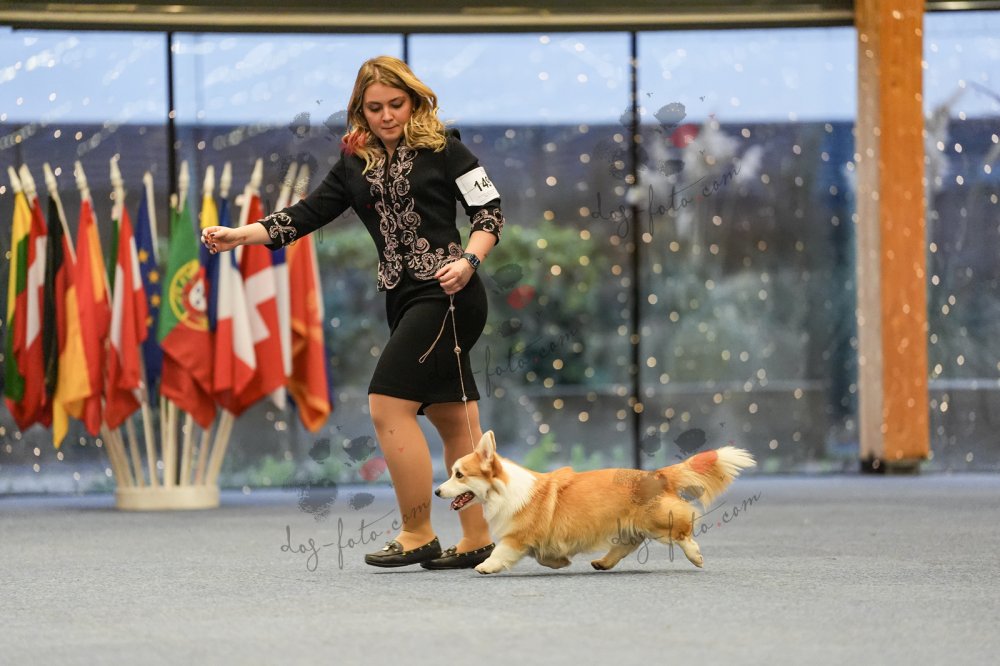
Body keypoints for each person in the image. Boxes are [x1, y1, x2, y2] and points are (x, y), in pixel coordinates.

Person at [201, 56, 503, 570]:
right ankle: (477, 539)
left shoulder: (447, 149)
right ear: (361, 111)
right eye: (375, 108)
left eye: (396, 105)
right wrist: (240, 235)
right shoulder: (354, 164)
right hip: (402, 297)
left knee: (388, 404)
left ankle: (417, 532)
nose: (386, 116)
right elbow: (305, 214)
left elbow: (489, 212)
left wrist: (470, 261)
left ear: (414, 102)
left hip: (449, 292)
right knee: (452, 414)